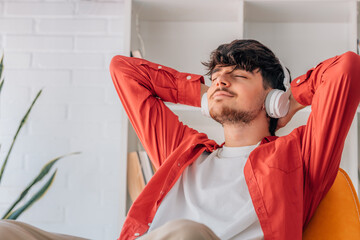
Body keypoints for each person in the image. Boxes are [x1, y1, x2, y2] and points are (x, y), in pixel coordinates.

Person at [109, 39, 360, 240]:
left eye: (240, 76)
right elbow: (123, 70)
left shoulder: (299, 156)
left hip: (187, 236)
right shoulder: (182, 150)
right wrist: (203, 94)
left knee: (187, 233)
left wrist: (291, 100)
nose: (220, 81)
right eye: (216, 76)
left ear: (273, 99)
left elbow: (348, 68)